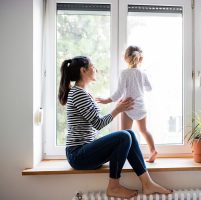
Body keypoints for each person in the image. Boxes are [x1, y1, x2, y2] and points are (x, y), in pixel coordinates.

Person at [58, 56, 172, 199]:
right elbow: (98, 124)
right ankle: (114, 186)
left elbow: (95, 123)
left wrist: (118, 107)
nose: (96, 69)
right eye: (93, 66)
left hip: (84, 151)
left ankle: (147, 183)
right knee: (124, 136)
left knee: (129, 133)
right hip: (78, 155)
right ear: (83, 70)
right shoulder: (78, 94)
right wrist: (118, 109)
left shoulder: (82, 93)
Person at [96, 46, 157, 163]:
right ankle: (153, 150)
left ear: (125, 58)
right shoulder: (142, 73)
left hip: (128, 106)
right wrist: (140, 85)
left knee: (125, 133)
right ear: (140, 59)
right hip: (141, 106)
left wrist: (107, 100)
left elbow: (119, 93)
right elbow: (149, 88)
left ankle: (126, 156)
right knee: (144, 130)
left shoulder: (124, 73)